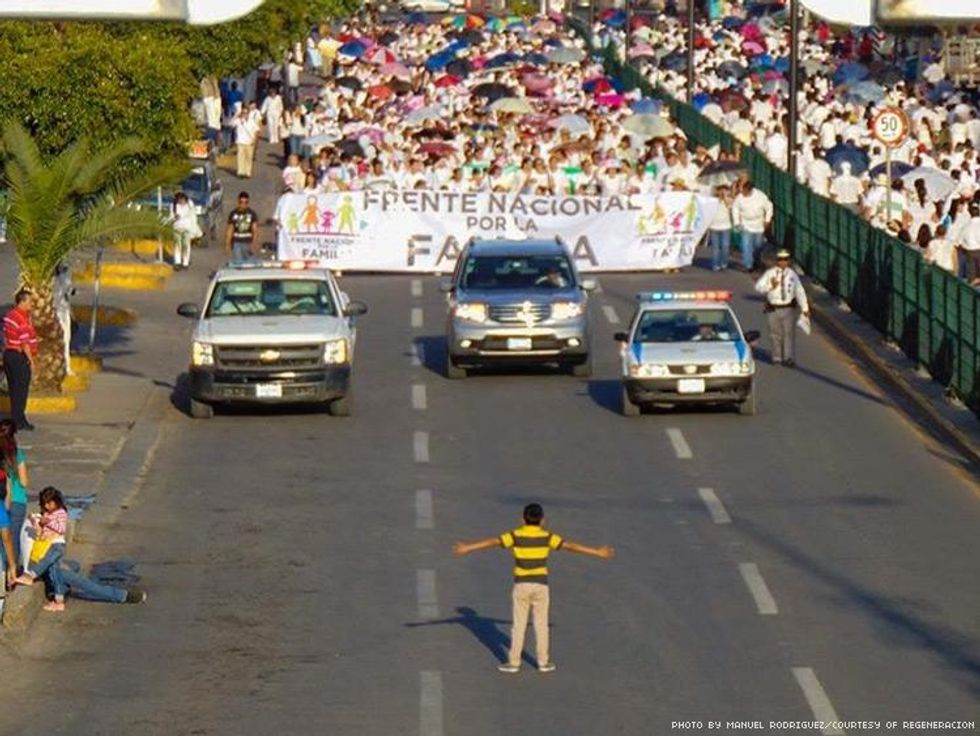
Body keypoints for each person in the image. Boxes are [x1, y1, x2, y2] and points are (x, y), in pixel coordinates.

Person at [453, 503, 614, 674]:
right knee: (541, 624)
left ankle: (514, 663)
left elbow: (493, 542)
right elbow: (570, 546)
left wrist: (467, 548)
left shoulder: (515, 535)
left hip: (521, 585)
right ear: (542, 520)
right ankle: (543, 663)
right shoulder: (547, 537)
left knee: (518, 625)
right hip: (541, 586)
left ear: (522, 519)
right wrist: (597, 552)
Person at [754, 248, 811, 368]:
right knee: (775, 333)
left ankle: (788, 357)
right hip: (773, 307)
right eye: (780, 260)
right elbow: (758, 287)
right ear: (777, 261)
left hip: (787, 307)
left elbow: (799, 291)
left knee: (788, 333)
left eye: (785, 260)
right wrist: (770, 286)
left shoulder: (792, 275)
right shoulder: (770, 273)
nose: (783, 262)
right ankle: (776, 357)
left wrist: (805, 308)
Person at [15, 486, 68, 612]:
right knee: (55, 574)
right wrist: (36, 522)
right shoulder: (47, 513)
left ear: (56, 501)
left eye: (50, 503)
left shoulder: (61, 513)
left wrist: (47, 521)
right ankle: (59, 601)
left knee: (44, 562)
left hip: (56, 545)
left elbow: (61, 528)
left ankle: (30, 576)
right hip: (47, 545)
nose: (47, 506)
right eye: (45, 504)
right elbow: (40, 533)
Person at [3, 289, 38, 431]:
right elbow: (24, 344)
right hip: (19, 357)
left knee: (13, 389)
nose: (32, 304)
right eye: (29, 301)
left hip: (9, 354)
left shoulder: (9, 315)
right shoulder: (21, 318)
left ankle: (16, 418)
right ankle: (19, 420)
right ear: (22, 301)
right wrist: (32, 362)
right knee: (21, 390)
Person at [1, 419, 28, 571]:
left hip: (2, 501)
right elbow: (24, 482)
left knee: (2, 540)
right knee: (14, 539)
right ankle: (13, 574)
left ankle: (2, 573)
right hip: (18, 501)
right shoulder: (18, 454)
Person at [732, 180, 772, 271]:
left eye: (745, 191)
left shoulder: (760, 196)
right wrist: (736, 222)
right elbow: (735, 208)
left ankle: (756, 261)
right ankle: (748, 265)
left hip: (758, 225)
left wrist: (767, 220)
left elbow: (769, 207)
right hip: (746, 225)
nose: (744, 193)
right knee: (746, 245)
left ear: (750, 190)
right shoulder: (739, 198)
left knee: (758, 246)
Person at [225, 192, 259, 262]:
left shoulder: (252, 214)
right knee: (238, 264)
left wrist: (253, 243)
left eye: (245, 202)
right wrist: (227, 243)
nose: (243, 205)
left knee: (249, 264)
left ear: (248, 203)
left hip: (248, 243)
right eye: (241, 202)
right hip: (237, 243)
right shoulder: (233, 214)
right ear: (238, 202)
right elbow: (230, 229)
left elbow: (255, 231)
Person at [171, 192, 200, 271]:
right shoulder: (174, 206)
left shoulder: (189, 204)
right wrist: (175, 217)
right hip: (177, 228)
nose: (181, 201)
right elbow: (171, 217)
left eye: (182, 199)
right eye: (179, 200)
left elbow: (193, 215)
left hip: (187, 228)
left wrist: (193, 229)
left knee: (186, 246)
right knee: (177, 245)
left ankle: (185, 262)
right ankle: (177, 262)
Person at [708, 184, 734, 271]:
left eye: (724, 190)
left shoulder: (729, 200)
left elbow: (729, 207)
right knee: (715, 247)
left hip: (725, 226)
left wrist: (725, 197)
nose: (722, 192)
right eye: (720, 190)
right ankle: (715, 264)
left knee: (725, 246)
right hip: (714, 226)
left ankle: (724, 262)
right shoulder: (712, 201)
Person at [233, 105, 260, 179]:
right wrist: (237, 116)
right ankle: (240, 172)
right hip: (240, 141)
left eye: (246, 113)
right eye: (243, 113)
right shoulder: (238, 121)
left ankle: (247, 172)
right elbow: (231, 124)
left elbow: (257, 130)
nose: (245, 114)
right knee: (240, 157)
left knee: (249, 158)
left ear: (248, 113)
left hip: (249, 142)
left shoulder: (252, 121)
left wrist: (255, 140)